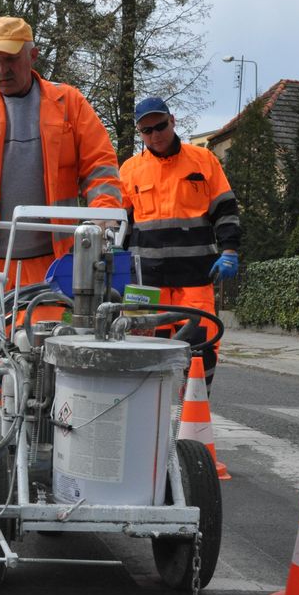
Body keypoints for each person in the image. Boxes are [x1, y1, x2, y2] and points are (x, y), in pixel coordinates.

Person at [0, 16, 123, 323]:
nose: (2, 70)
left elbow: (100, 165)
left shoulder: (69, 103)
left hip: (54, 262)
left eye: (11, 60)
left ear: (33, 55)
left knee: (50, 349)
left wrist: (104, 215)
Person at [119, 97, 241, 390]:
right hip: (147, 282)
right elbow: (117, 223)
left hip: (195, 278)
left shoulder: (203, 161)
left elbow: (225, 210)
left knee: (201, 350)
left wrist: (229, 251)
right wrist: (113, 258)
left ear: (173, 121)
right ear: (139, 132)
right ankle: (147, 422)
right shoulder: (130, 170)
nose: (155, 134)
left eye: (160, 126)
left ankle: (194, 419)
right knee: (143, 352)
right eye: (147, 131)